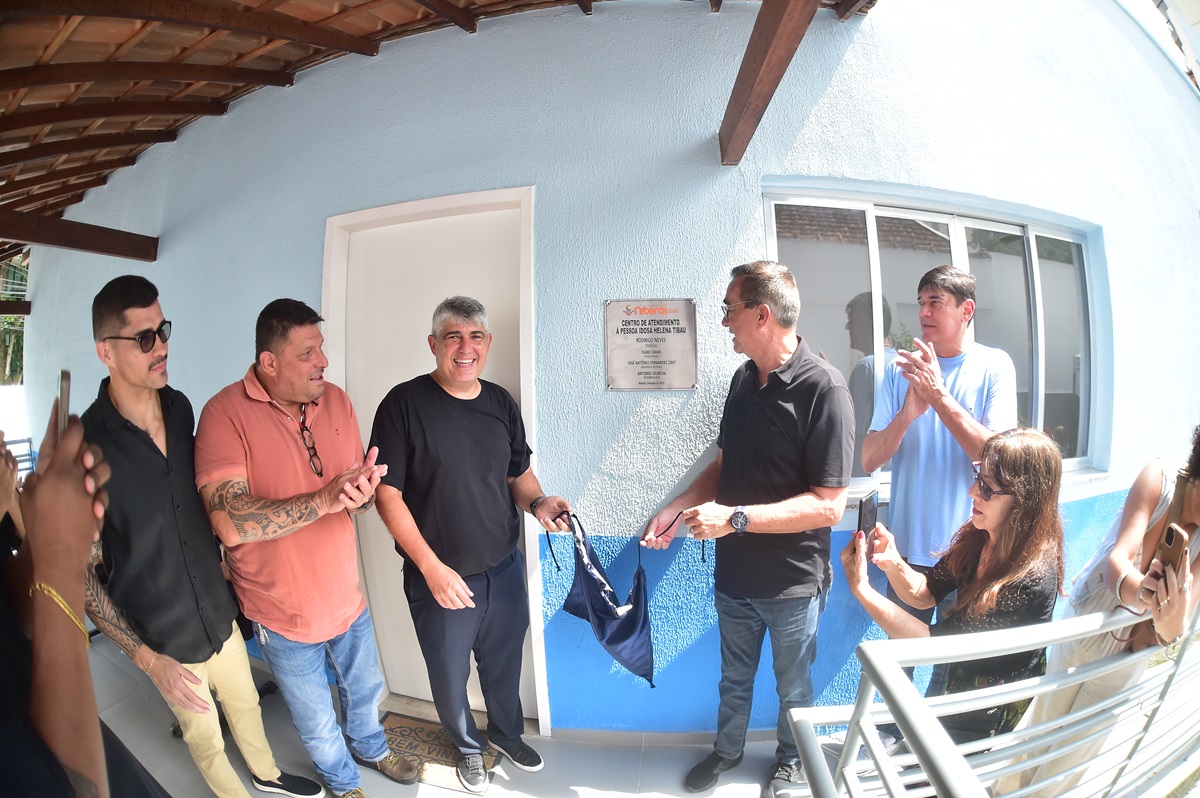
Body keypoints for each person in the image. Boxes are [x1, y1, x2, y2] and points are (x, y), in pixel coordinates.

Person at [80, 276, 323, 798]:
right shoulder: (85, 447)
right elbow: (83, 576)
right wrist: (148, 661)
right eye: (144, 338)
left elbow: (194, 504)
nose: (162, 347)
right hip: (164, 637)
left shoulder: (180, 407)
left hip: (216, 611)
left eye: (163, 330)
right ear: (106, 351)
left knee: (246, 704)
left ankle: (268, 776)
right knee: (206, 738)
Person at [641, 261, 854, 797]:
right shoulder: (743, 380)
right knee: (733, 677)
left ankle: (792, 763)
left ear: (762, 315)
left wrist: (734, 519)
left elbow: (829, 506)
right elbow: (724, 463)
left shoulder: (824, 389)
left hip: (792, 584)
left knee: (793, 687)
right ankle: (727, 751)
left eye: (729, 309)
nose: (723, 322)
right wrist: (678, 508)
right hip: (734, 578)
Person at [195, 299, 418, 798]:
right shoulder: (223, 413)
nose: (323, 361)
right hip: (281, 612)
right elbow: (228, 523)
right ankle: (342, 781)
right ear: (269, 361)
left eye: (321, 348)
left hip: (345, 596)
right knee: (315, 717)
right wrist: (322, 500)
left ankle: (371, 748)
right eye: (307, 353)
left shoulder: (336, 400)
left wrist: (361, 495)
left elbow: (349, 496)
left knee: (366, 689)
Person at [369, 296, 570, 794]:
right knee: (449, 672)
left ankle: (505, 735)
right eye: (453, 337)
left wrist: (539, 503)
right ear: (433, 344)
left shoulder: (500, 402)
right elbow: (386, 495)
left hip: (503, 569)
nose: (465, 347)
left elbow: (518, 474)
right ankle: (467, 748)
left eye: (475, 336)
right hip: (439, 577)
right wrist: (431, 568)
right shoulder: (402, 405)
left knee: (503, 664)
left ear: (488, 343)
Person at [842, 427, 1064, 744]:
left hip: (986, 723)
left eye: (987, 488)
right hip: (955, 699)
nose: (972, 491)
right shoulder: (981, 537)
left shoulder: (1031, 579)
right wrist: (891, 561)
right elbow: (926, 593)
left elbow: (933, 645)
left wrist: (862, 590)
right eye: (977, 478)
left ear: (1025, 501)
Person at [1018, 425, 1200, 796]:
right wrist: (1144, 591)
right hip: (1086, 624)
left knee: (1069, 763)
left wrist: (1170, 617)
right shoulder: (1160, 477)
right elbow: (1117, 563)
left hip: (1126, 659)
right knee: (1038, 735)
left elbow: (1174, 626)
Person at [861, 265, 1017, 624]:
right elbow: (868, 460)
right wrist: (906, 417)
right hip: (907, 551)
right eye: (921, 303)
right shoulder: (901, 369)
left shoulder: (994, 366)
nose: (924, 313)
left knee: (956, 658)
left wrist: (939, 396)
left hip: (972, 551)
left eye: (936, 302)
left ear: (967, 310)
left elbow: (998, 461)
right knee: (902, 655)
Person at [844, 291, 896, 479]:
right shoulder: (899, 363)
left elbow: (852, 432)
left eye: (852, 320)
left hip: (865, 478)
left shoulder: (867, 367)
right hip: (889, 475)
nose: (847, 327)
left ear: (866, 324)